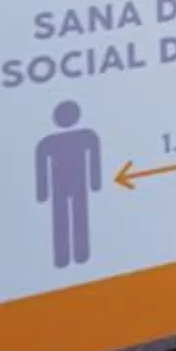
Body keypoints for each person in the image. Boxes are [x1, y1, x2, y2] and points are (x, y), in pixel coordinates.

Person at [36, 100, 103, 268]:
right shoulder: (48, 142)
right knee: (61, 219)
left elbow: (95, 159)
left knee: (79, 217)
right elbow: (41, 166)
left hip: (79, 184)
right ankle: (63, 257)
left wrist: (95, 182)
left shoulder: (88, 136)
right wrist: (42, 192)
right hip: (58, 186)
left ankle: (81, 254)